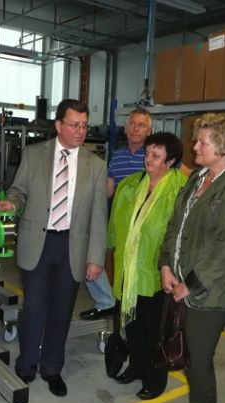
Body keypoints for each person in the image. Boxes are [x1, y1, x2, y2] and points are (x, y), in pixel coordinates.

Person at [0, 99, 107, 397]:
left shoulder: (95, 165)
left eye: (85, 125)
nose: (81, 131)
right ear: (58, 125)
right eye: (74, 125)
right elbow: (18, 190)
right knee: (33, 307)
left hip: (72, 245)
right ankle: (26, 364)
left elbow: (98, 215)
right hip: (37, 244)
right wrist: (11, 203)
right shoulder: (34, 154)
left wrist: (96, 257)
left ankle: (52, 368)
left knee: (61, 310)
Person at [159, 113, 225, 403]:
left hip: (210, 291)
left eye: (202, 142)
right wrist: (165, 264)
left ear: (223, 147)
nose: (194, 146)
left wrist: (191, 284)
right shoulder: (198, 177)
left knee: (197, 358)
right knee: (188, 354)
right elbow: (175, 223)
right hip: (181, 280)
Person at [109, 132, 186, 400]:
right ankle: (136, 367)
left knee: (155, 332)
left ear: (170, 161)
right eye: (147, 153)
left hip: (158, 273)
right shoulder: (131, 184)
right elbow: (115, 224)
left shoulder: (181, 189)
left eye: (156, 155)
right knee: (132, 326)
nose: (148, 159)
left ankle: (155, 379)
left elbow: (181, 233)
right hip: (129, 270)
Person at [80, 107, 152, 321]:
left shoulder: (154, 154)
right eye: (132, 124)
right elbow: (107, 191)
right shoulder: (118, 156)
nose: (135, 128)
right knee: (88, 251)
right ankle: (106, 301)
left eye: (141, 125)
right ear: (125, 128)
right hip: (120, 222)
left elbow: (180, 176)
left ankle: (135, 310)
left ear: (149, 131)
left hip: (146, 224)